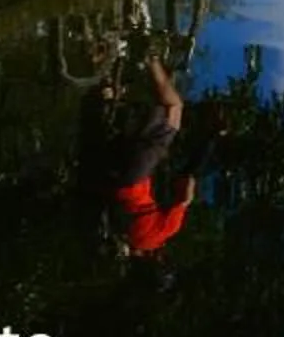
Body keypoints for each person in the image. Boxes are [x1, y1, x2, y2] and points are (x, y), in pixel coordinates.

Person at [81, 54, 198, 257]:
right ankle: (101, 58)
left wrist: (190, 181)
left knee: (174, 110)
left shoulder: (160, 236)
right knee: (126, 124)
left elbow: (184, 197)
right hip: (114, 177)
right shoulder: (125, 237)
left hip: (136, 178)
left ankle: (150, 56)